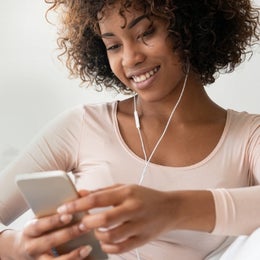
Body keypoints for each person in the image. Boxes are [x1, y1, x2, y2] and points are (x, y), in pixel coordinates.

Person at [0, 0, 259, 259]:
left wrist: (172, 209)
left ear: (190, 27)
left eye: (146, 33)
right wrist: (18, 247)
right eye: (113, 46)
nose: (130, 58)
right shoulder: (83, 126)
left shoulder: (248, 136)